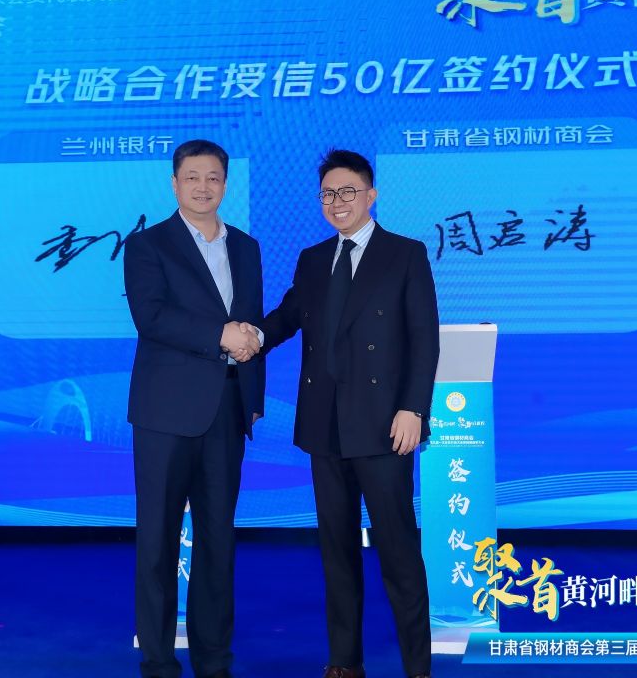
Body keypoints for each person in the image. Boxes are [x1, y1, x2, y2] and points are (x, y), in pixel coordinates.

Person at [258, 149, 439, 678]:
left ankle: (417, 667)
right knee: (336, 553)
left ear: (371, 195)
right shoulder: (313, 259)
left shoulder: (405, 254)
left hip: (384, 427)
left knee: (398, 553)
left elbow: (424, 339)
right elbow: (287, 317)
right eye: (328, 194)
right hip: (325, 427)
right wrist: (250, 337)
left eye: (348, 192)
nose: (338, 202)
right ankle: (344, 662)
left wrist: (414, 409)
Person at [124, 139, 265, 678]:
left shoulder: (246, 247)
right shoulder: (148, 245)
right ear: (174, 183)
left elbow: (252, 321)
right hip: (165, 414)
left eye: (213, 178)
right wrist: (220, 334)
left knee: (218, 539)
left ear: (225, 184)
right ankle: (158, 659)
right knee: (157, 540)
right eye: (192, 177)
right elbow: (151, 318)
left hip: (227, 411)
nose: (203, 187)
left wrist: (252, 395)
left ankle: (213, 656)